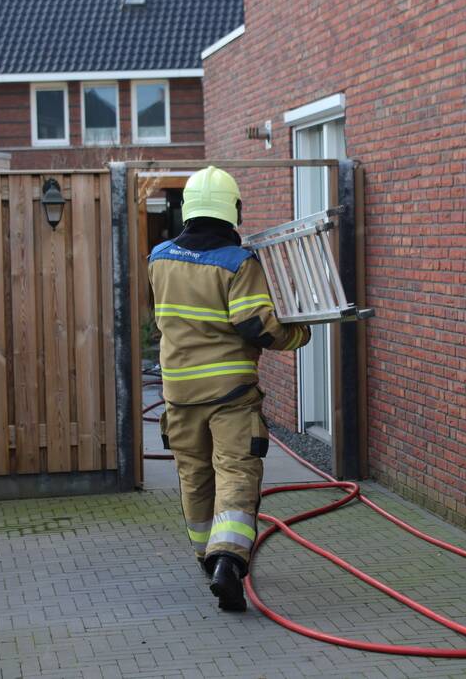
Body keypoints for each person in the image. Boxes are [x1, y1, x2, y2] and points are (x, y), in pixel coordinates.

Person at [148, 166, 311, 612]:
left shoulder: (158, 257)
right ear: (232, 209)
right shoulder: (238, 263)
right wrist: (298, 335)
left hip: (178, 394)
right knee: (236, 472)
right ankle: (229, 560)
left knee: (194, 474)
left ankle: (206, 555)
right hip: (230, 395)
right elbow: (254, 323)